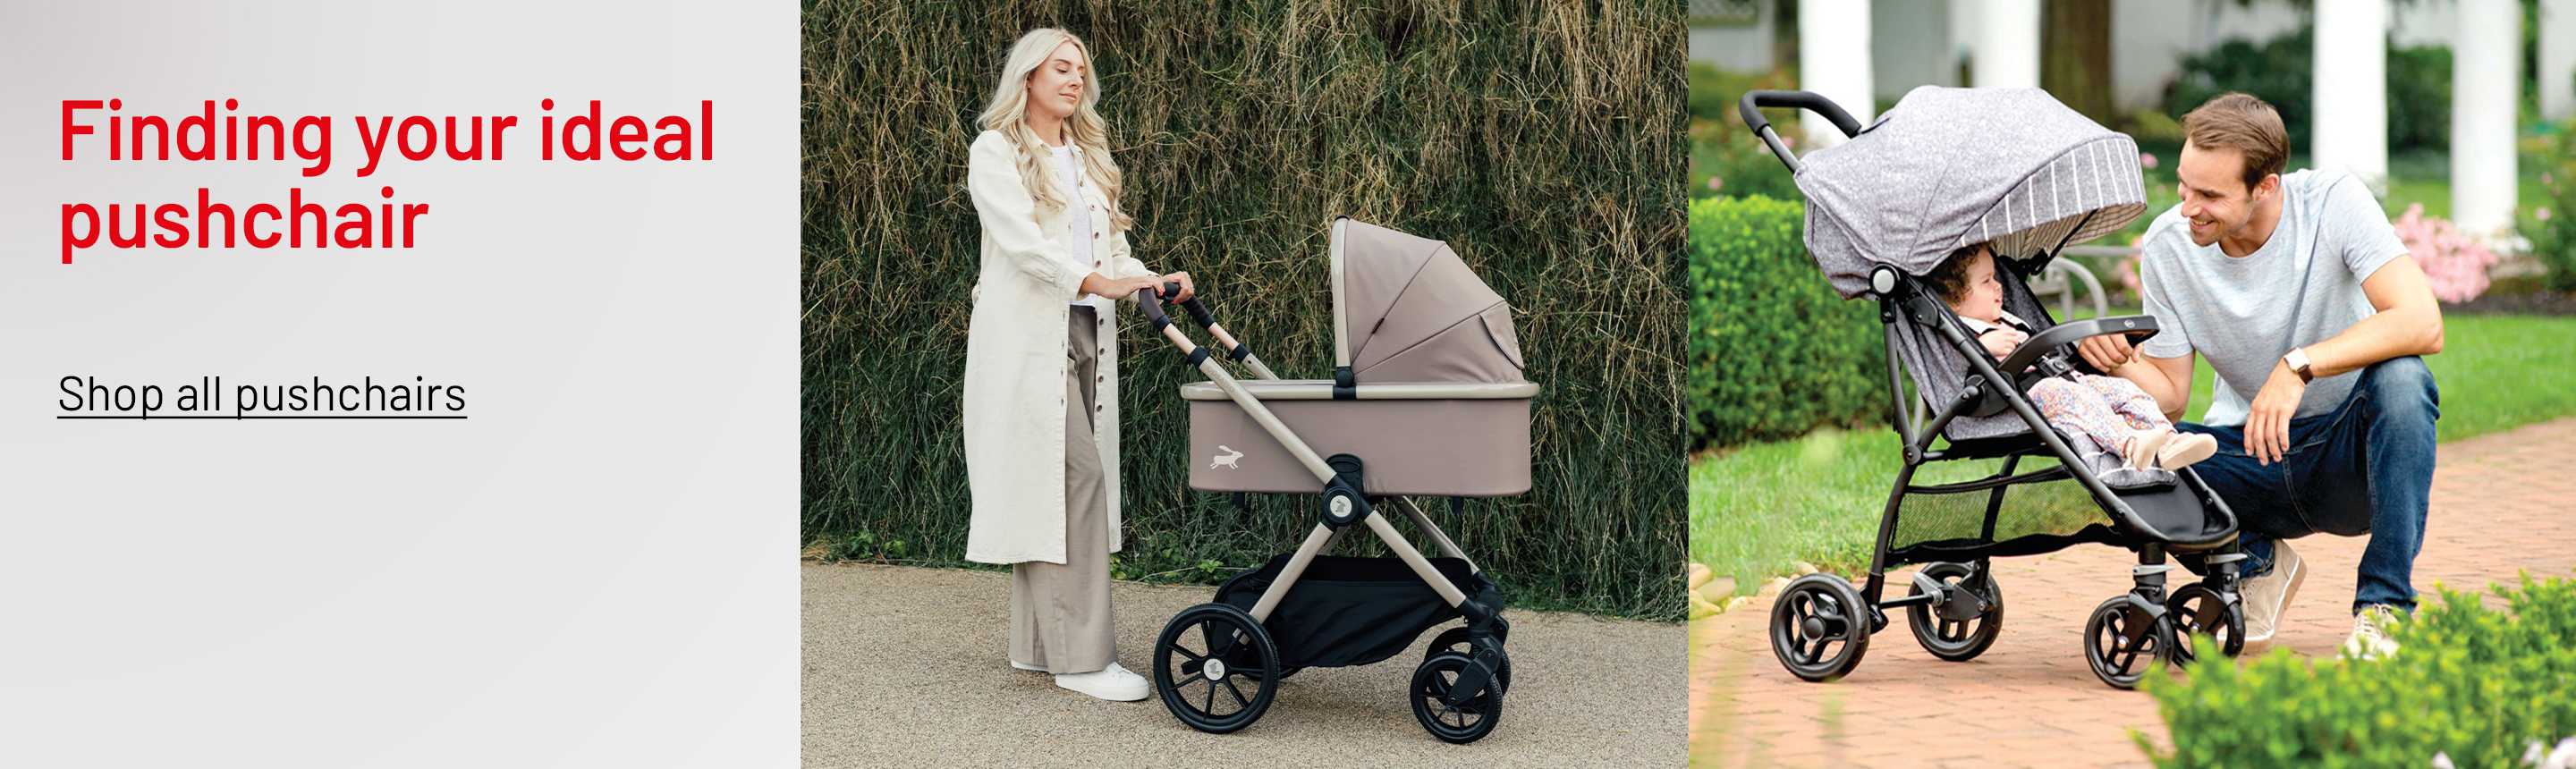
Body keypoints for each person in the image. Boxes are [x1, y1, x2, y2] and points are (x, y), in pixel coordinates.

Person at [2077, 93, 2444, 659]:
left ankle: (2385, 608)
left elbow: (2422, 321)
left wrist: (2298, 365)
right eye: (2183, 185)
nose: (2187, 207)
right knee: (2125, 465)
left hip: (2354, 457)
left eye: (2209, 195)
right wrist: (2117, 360)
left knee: (2403, 380)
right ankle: (2256, 564)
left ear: (2266, 186)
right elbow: (2170, 399)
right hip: (2254, 458)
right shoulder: (2169, 246)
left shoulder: (2331, 204)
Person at [958, 28, 1194, 701]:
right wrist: (1099, 282)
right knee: (1074, 480)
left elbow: (1113, 251)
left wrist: (1148, 279)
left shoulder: (1087, 155)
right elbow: (1026, 250)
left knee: (1050, 483)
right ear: (1027, 76)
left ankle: (1038, 647)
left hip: (1086, 331)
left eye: (1081, 70)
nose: (1074, 79)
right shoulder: (995, 151)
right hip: (1028, 338)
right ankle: (1082, 661)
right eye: (1060, 67)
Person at [1924, 243, 2218, 473]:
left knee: (2125, 391)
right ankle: (2129, 444)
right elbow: (1962, 379)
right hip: (2027, 398)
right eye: (1987, 281)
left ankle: (2168, 440)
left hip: (2067, 380)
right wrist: (1984, 348)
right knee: (2069, 396)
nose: (1999, 286)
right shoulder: (1965, 336)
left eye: (1996, 278)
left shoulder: (2009, 320)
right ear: (1955, 298)